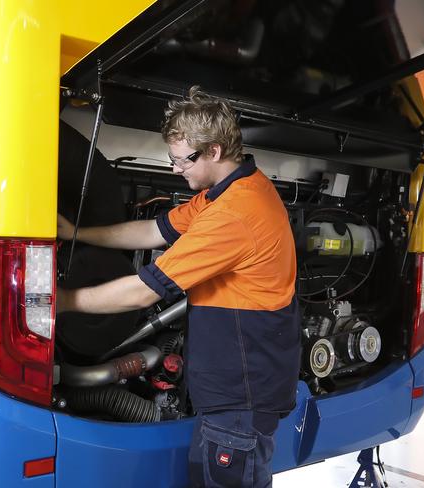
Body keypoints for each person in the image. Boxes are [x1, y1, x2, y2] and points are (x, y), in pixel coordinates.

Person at [56, 86, 300, 488]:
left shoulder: (235, 215)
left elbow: (144, 292)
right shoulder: (230, 191)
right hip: (233, 390)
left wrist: (64, 301)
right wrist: (78, 233)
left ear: (215, 151)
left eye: (181, 160)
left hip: (240, 396)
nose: (174, 169)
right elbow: (154, 229)